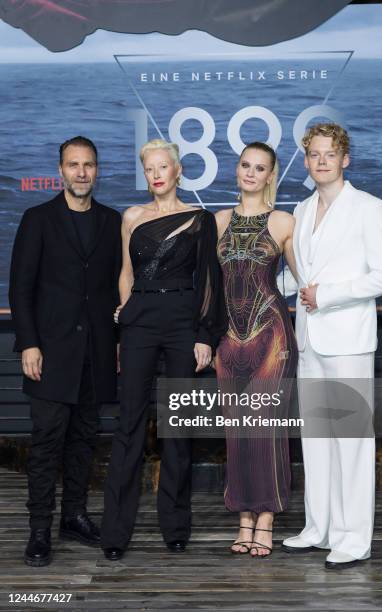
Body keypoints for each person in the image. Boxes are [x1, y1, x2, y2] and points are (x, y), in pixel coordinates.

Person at [101, 138, 227, 560]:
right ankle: (115, 533)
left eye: (162, 167)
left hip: (180, 322)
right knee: (128, 426)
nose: (156, 174)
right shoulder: (131, 216)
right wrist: (125, 313)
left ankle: (175, 526)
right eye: (149, 168)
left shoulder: (199, 218)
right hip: (138, 321)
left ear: (178, 171)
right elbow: (126, 271)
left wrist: (204, 336)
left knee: (178, 428)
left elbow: (209, 280)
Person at [282, 123, 382, 569]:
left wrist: (327, 295)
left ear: (345, 159)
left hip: (348, 338)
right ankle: (320, 527)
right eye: (314, 154)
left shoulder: (371, 208)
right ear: (307, 160)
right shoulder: (302, 207)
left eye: (330, 153)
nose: (322, 161)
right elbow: (297, 275)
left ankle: (353, 539)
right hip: (308, 338)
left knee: (350, 439)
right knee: (315, 438)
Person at [9, 136, 122, 567]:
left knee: (83, 441)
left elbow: (116, 288)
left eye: (88, 165)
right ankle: (40, 529)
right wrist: (30, 343)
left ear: (97, 169)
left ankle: (74, 516)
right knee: (46, 444)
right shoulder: (38, 219)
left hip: (96, 353)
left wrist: (115, 345)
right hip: (50, 353)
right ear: (60, 170)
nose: (81, 172)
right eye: (73, 165)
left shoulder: (112, 222)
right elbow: (21, 289)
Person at [215, 142, 298, 557]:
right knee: (237, 431)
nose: (251, 172)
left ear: (270, 176)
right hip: (228, 339)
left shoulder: (284, 221)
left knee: (265, 429)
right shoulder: (218, 221)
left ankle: (266, 517)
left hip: (273, 336)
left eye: (260, 168)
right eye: (245, 165)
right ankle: (242, 517)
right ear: (238, 170)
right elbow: (210, 288)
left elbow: (307, 279)